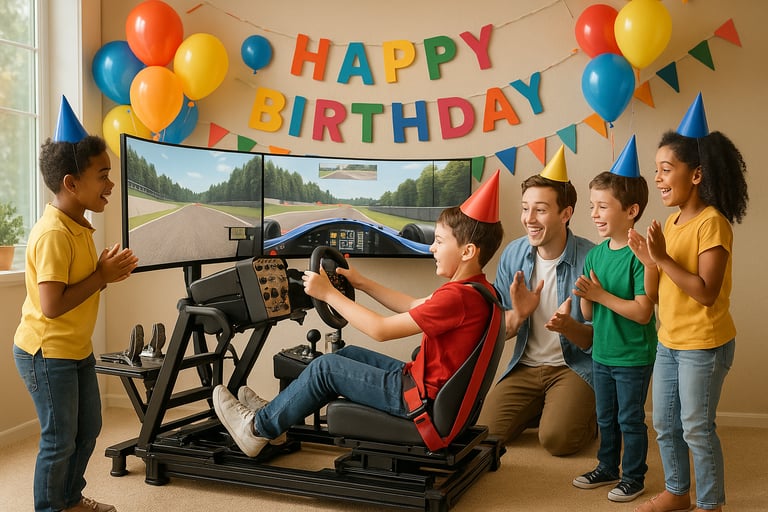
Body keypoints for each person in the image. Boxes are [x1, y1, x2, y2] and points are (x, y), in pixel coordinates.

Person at [212, 170, 505, 458]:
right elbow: (413, 305)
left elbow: (380, 330)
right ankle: (274, 415)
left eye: (440, 242)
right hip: (422, 387)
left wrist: (329, 294)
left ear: (467, 252)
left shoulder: (457, 298)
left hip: (419, 402)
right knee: (345, 355)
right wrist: (362, 283)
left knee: (325, 369)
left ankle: (256, 429)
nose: (431, 247)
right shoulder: (476, 291)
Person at [12, 96, 139, 512]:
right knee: (58, 437)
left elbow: (76, 287)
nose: (110, 184)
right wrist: (101, 277)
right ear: (71, 183)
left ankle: (69, 498)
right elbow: (51, 305)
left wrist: (103, 274)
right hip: (46, 352)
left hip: (74, 347)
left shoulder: (80, 225)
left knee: (89, 428)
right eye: (102, 175)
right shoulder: (53, 233)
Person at [628, 93, 748, 512]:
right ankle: (677, 493)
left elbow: (705, 291)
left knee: (696, 427)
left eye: (666, 169)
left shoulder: (712, 223)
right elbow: (658, 291)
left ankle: (710, 503)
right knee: (664, 424)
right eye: (657, 170)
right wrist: (649, 260)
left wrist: (660, 257)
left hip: (705, 345)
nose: (658, 179)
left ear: (696, 174)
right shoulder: (674, 221)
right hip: (670, 341)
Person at [477, 146, 596, 457]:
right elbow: (501, 332)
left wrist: (569, 327)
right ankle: (545, 407)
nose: (529, 219)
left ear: (565, 214)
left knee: (557, 441)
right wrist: (517, 313)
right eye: (525, 208)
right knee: (486, 435)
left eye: (540, 210)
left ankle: (590, 414)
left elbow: (604, 342)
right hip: (526, 366)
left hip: (574, 367)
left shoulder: (592, 258)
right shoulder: (513, 255)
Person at [571, 135, 658, 503]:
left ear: (631, 211)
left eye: (603, 206)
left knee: (629, 420)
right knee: (604, 417)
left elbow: (642, 312)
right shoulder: (595, 256)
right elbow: (590, 315)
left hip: (634, 356)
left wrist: (600, 295)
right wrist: (584, 297)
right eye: (592, 206)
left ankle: (634, 477)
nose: (594, 214)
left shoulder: (641, 255)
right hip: (603, 354)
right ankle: (607, 467)